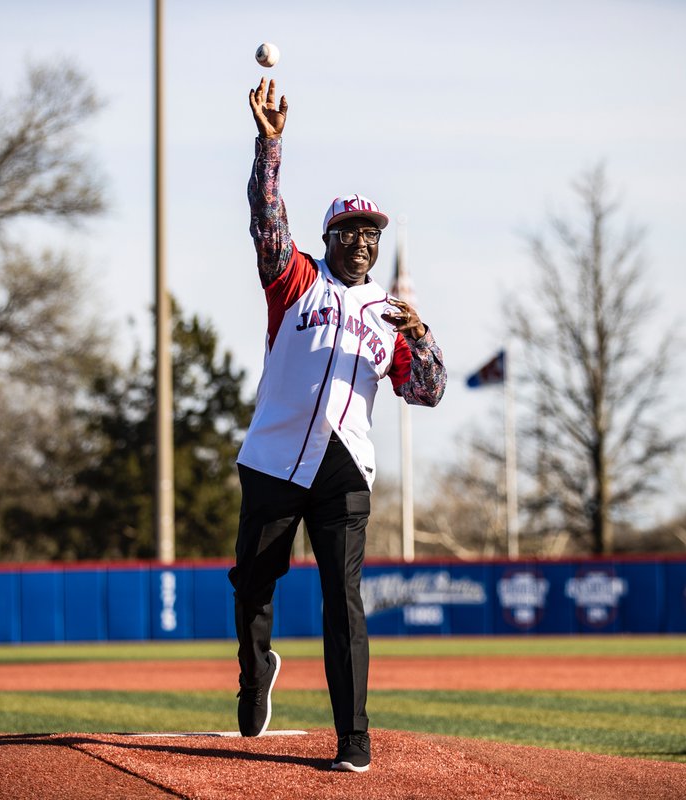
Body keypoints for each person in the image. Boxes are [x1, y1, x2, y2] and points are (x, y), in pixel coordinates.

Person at [229, 77, 447, 773]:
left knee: (342, 599)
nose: (362, 239)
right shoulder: (293, 279)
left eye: (372, 232)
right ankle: (256, 665)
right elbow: (266, 218)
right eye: (351, 229)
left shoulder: (391, 315)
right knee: (254, 584)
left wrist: (427, 340)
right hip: (271, 459)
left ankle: (354, 739)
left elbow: (428, 391)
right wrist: (270, 144)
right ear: (328, 237)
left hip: (343, 470)